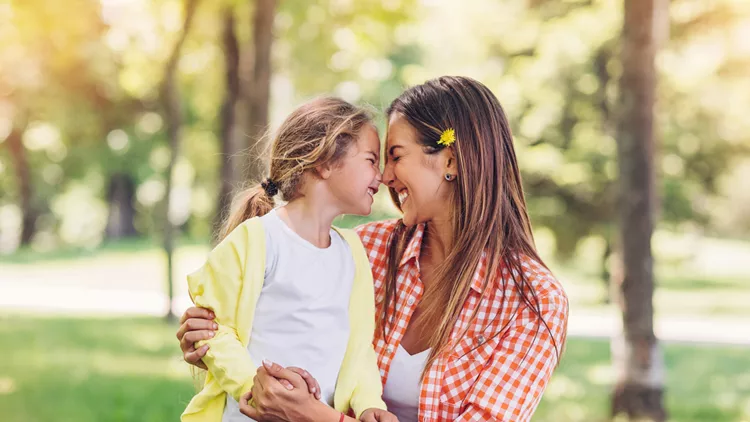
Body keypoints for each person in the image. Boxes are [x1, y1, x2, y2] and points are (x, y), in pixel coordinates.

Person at [178, 76, 569, 422]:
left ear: (450, 160)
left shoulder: (533, 300)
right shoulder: (362, 251)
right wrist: (211, 334)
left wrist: (314, 418)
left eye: (395, 156)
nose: (384, 177)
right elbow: (259, 319)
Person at [180, 97, 398, 422]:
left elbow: (358, 349)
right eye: (370, 160)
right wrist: (254, 390)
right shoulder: (257, 239)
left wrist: (370, 404)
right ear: (325, 162)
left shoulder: (353, 252)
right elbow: (214, 330)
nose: (380, 176)